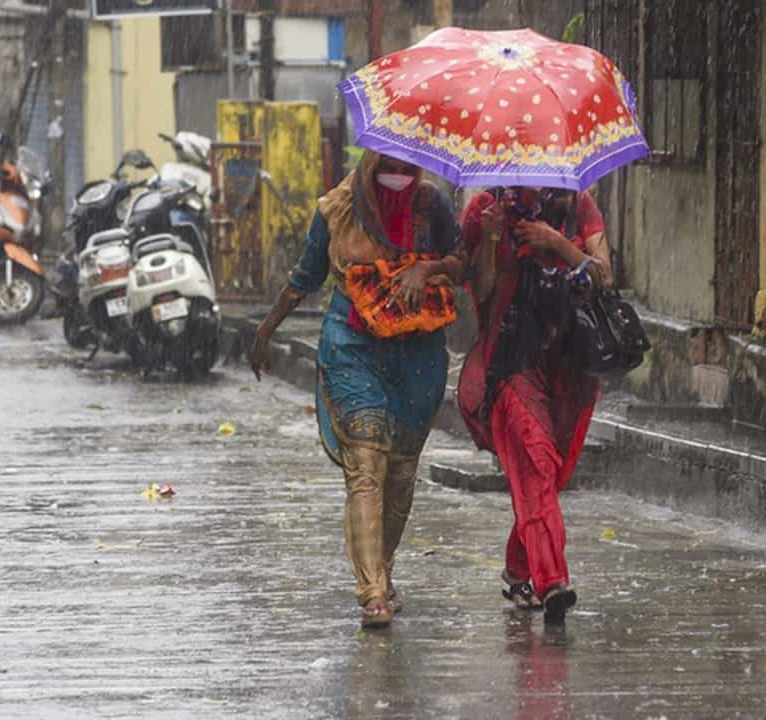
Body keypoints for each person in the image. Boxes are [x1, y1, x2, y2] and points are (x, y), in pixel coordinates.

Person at [250, 151, 465, 628]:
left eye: (409, 169)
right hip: (353, 350)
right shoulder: (336, 210)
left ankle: (383, 572)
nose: (399, 177)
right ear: (370, 161)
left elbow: (463, 264)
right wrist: (265, 331)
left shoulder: (432, 206)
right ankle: (372, 593)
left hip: (419, 356)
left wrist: (426, 271)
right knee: (366, 466)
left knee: (401, 475)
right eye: (390, 166)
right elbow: (304, 278)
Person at [456, 186, 612, 624]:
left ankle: (518, 569)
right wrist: (489, 239)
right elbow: (481, 293)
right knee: (536, 461)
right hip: (510, 363)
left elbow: (605, 277)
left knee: (549, 476)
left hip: (570, 369)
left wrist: (557, 243)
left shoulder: (578, 206)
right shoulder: (487, 209)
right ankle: (552, 582)